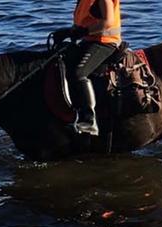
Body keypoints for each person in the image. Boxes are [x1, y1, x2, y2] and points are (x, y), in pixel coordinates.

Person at [52, 0, 122, 136]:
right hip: (89, 41)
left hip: (105, 42)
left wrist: (83, 31)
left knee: (79, 73)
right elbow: (83, 23)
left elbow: (107, 22)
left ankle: (89, 121)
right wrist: (68, 32)